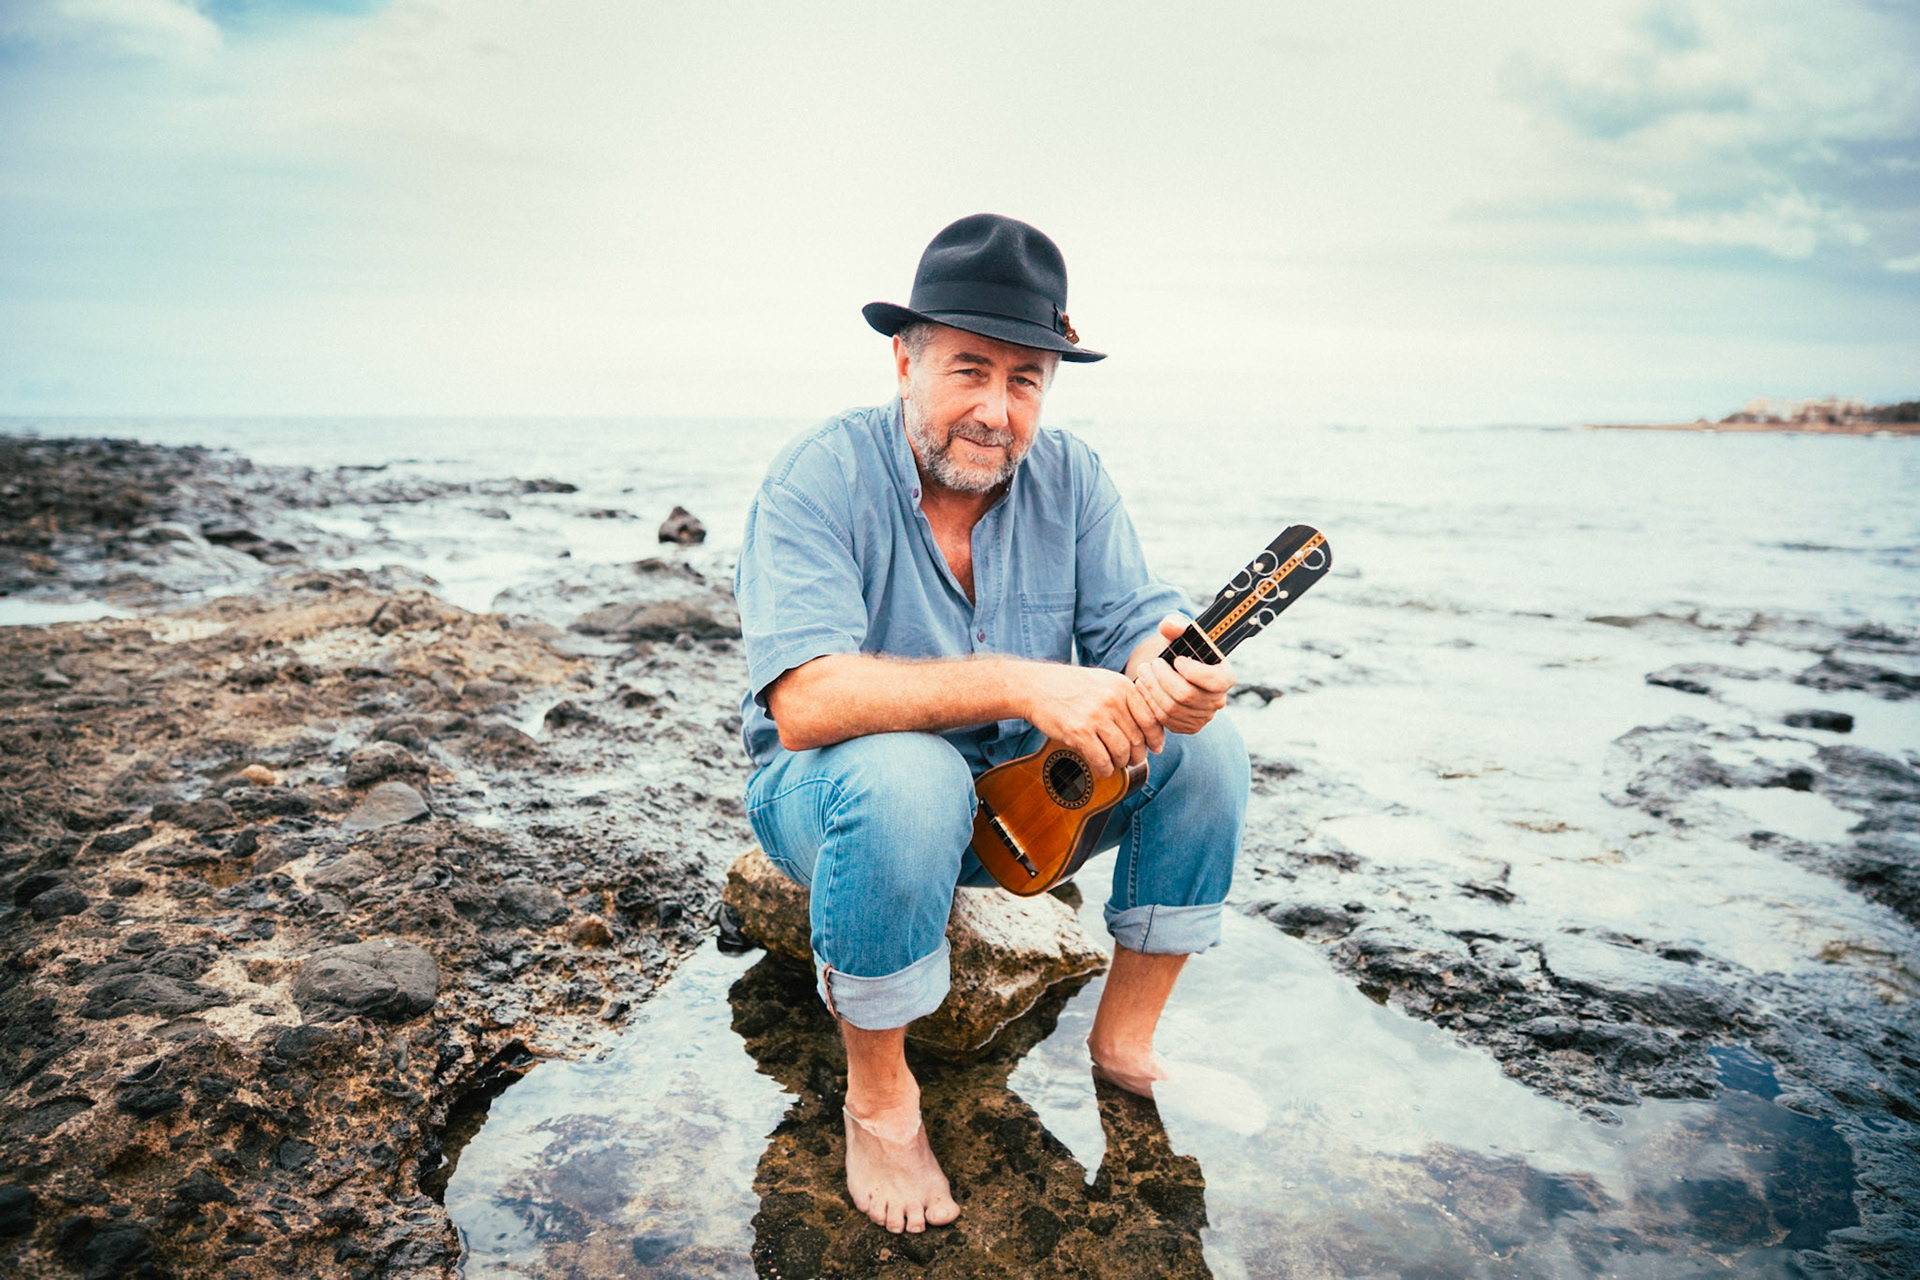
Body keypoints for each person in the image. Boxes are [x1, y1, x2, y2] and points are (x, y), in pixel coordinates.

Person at [734, 213, 1249, 1235]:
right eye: (970, 369)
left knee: (1207, 747)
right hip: (838, 802)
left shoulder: (1073, 477)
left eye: (1025, 381)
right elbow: (805, 703)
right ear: (904, 359)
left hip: (1020, 806)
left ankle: (1126, 1045)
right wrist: (1020, 683)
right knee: (907, 773)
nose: (997, 409)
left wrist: (1169, 670)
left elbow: (1132, 622)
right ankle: (879, 1098)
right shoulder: (818, 475)